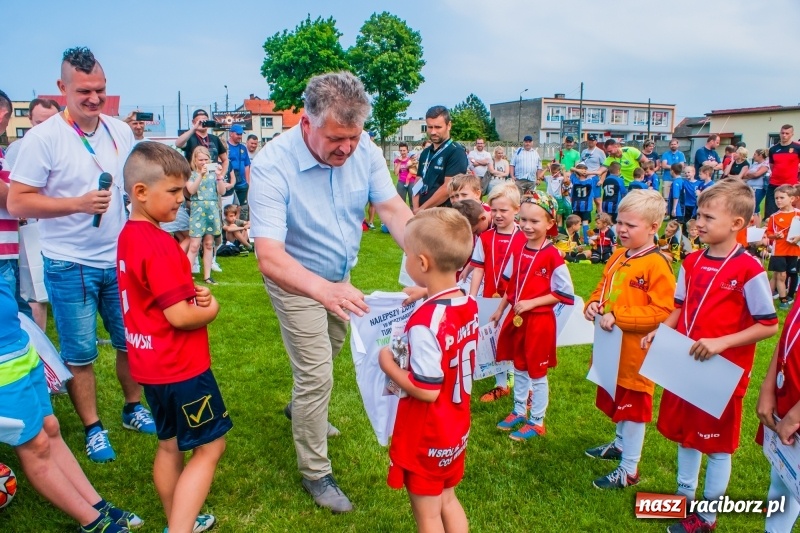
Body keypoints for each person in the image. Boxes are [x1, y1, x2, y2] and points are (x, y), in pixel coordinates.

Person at [249, 71, 413, 513]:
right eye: (337, 138)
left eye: (354, 137)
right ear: (307, 123)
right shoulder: (271, 164)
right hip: (294, 278)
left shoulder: (367, 149)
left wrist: (428, 256)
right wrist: (322, 290)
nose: (347, 148)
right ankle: (316, 472)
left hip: (339, 278)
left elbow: (392, 208)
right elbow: (269, 256)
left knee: (332, 349)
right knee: (317, 372)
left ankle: (301, 408)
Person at [8, 47, 155, 463]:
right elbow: (18, 202)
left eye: (100, 90)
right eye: (84, 91)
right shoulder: (43, 139)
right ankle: (93, 428)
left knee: (130, 342)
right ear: (62, 88)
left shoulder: (119, 131)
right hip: (68, 262)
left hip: (118, 259)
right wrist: (77, 204)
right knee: (79, 352)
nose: (94, 98)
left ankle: (133, 408)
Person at [645, 179, 777, 533]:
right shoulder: (691, 261)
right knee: (686, 436)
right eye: (698, 216)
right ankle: (684, 498)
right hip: (686, 365)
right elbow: (679, 306)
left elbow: (768, 324)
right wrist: (663, 330)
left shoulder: (749, 269)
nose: (698, 223)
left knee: (717, 446)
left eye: (708, 217)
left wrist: (722, 342)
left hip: (722, 373)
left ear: (737, 223)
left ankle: (707, 516)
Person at [118, 142, 229, 533]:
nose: (181, 199)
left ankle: (179, 520)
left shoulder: (129, 235)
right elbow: (180, 317)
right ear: (140, 192)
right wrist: (211, 308)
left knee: (169, 444)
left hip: (150, 366)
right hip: (181, 368)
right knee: (210, 446)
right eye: (173, 191)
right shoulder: (160, 244)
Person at [0, 280, 142, 533]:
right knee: (35, 445)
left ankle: (97, 505)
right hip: (3, 365)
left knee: (50, 427)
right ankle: (92, 522)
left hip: (18, 344)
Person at [379, 208, 477, 533]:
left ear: (422, 263)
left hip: (428, 433)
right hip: (456, 425)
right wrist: (426, 292)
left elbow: (426, 389)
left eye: (406, 254)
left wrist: (387, 364)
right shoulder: (468, 301)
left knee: (429, 515)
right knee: (448, 499)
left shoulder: (426, 323)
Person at [583, 190, 675, 489]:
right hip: (612, 349)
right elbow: (602, 287)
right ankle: (620, 445)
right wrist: (593, 304)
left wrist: (619, 316)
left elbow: (664, 311)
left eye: (630, 225)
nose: (621, 229)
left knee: (634, 409)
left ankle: (629, 469)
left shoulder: (657, 264)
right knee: (619, 399)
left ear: (653, 227)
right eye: (619, 222)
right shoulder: (618, 255)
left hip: (638, 353)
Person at [491, 191, 574, 441]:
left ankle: (537, 421)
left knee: (537, 372)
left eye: (534, 221)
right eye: (523, 220)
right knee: (519, 365)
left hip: (539, 321)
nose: (527, 226)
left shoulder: (553, 255)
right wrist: (500, 309)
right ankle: (519, 410)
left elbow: (564, 293)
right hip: (519, 318)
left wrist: (532, 303)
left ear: (550, 223)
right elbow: (511, 284)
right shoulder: (519, 247)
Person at [2, 97, 60, 331]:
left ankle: (38, 344)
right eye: (39, 123)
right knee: (28, 295)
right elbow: (14, 197)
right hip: (27, 231)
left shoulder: (68, 144)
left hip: (52, 231)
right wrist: (22, 201)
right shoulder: (21, 148)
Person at [468, 183, 525, 402]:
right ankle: (501, 384)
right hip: (489, 298)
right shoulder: (485, 237)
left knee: (517, 341)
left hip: (515, 300)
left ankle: (526, 387)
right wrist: (473, 297)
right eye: (494, 210)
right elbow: (478, 268)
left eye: (504, 210)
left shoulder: (524, 238)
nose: (498, 215)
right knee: (494, 339)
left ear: (517, 209)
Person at [757, 295, 800, 533]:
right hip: (791, 392)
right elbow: (790, 332)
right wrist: (769, 385)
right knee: (784, 476)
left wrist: (795, 416)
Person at [414, 106, 468, 212]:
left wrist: (422, 209)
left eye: (438, 127)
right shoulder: (425, 152)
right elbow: (418, 181)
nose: (433, 132)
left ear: (449, 125)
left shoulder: (456, 152)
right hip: (422, 213)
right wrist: (416, 208)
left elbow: (448, 188)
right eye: (430, 127)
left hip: (443, 213)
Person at [185, 147, 225, 286]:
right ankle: (186, 277)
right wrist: (200, 175)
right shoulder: (191, 174)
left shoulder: (214, 175)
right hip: (198, 210)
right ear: (195, 160)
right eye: (200, 159)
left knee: (209, 244)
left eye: (206, 159)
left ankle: (207, 276)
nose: (203, 162)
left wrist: (219, 177)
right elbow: (191, 190)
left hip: (212, 210)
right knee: (194, 245)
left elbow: (222, 191)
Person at [766, 185, 800, 310]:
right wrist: (775, 236)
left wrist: (798, 237)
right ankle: (783, 300)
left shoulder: (798, 214)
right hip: (779, 250)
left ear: (792, 199)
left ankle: (766, 296)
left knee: (778, 275)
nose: (778, 200)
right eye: (776, 198)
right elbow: (769, 233)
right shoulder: (774, 216)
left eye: (781, 198)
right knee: (781, 276)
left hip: (793, 250)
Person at [766, 124, 800, 218]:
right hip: (774, 185)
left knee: (791, 214)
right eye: (782, 133)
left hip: (790, 186)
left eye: (787, 133)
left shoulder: (797, 148)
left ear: (792, 134)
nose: (784, 135)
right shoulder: (773, 149)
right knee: (770, 214)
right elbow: (772, 166)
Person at [569, 163, 596, 244]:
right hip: (586, 207)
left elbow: (571, 169)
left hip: (576, 206)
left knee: (576, 222)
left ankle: (576, 240)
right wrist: (587, 172)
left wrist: (577, 170)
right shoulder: (590, 181)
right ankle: (586, 240)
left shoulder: (574, 180)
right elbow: (598, 173)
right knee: (585, 223)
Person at [227, 124, 251, 212]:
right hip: (229, 183)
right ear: (231, 134)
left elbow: (247, 165)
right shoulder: (225, 147)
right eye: (238, 134)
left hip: (242, 184)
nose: (240, 136)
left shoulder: (243, 148)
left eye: (241, 134)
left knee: (240, 207)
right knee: (230, 208)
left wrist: (248, 182)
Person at [542, 162, 571, 228]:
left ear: (559, 172)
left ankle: (559, 230)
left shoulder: (561, 178)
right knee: (551, 215)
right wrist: (546, 169)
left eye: (555, 172)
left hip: (558, 199)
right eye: (552, 172)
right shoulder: (549, 178)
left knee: (559, 217)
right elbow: (540, 177)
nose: (553, 174)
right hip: (549, 199)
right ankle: (552, 229)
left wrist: (563, 170)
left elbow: (566, 181)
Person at [744, 148, 770, 215]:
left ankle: (754, 220)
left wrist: (752, 175)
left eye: (755, 154)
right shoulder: (755, 164)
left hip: (758, 189)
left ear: (760, 155)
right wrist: (753, 175)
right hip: (750, 187)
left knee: (753, 207)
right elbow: (745, 174)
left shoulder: (765, 165)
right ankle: (757, 221)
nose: (753, 156)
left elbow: (757, 174)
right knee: (755, 208)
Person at [660, 139, 687, 204]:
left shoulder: (681, 154)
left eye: (675, 144)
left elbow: (681, 166)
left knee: (676, 197)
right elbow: (663, 165)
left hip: (677, 179)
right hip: (667, 178)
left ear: (677, 145)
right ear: (669, 145)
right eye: (672, 144)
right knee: (666, 198)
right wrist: (676, 166)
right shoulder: (665, 154)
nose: (673, 145)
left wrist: (669, 166)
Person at [394, 142, 414, 207]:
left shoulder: (411, 159)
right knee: (401, 203)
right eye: (401, 150)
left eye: (404, 150)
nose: (402, 152)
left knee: (413, 202)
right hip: (401, 182)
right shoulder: (397, 160)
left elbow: (416, 170)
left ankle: (413, 213)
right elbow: (396, 173)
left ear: (407, 150)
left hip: (411, 182)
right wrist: (399, 162)